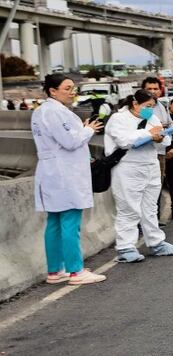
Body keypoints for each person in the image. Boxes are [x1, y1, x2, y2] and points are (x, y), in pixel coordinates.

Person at [31, 74, 106, 286]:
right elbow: (70, 141)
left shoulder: (41, 111)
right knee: (70, 223)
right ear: (52, 91)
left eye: (73, 88)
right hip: (65, 174)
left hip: (51, 171)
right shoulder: (56, 111)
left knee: (54, 222)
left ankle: (55, 270)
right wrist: (88, 130)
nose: (72, 92)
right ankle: (76, 271)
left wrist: (80, 129)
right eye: (67, 88)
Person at [104, 90, 173, 263]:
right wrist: (149, 134)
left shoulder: (152, 119)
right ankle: (125, 247)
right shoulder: (118, 119)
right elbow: (124, 141)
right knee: (129, 209)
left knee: (150, 208)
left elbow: (166, 140)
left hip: (150, 165)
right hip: (127, 168)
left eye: (153, 107)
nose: (150, 110)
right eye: (147, 106)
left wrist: (161, 138)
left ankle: (156, 243)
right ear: (135, 103)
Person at [140, 76, 173, 226]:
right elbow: (140, 128)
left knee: (156, 186)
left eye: (156, 89)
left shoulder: (161, 106)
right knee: (143, 188)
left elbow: (169, 125)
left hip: (160, 153)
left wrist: (169, 127)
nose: (153, 92)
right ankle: (142, 222)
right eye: (149, 89)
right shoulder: (140, 107)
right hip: (144, 153)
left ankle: (155, 218)